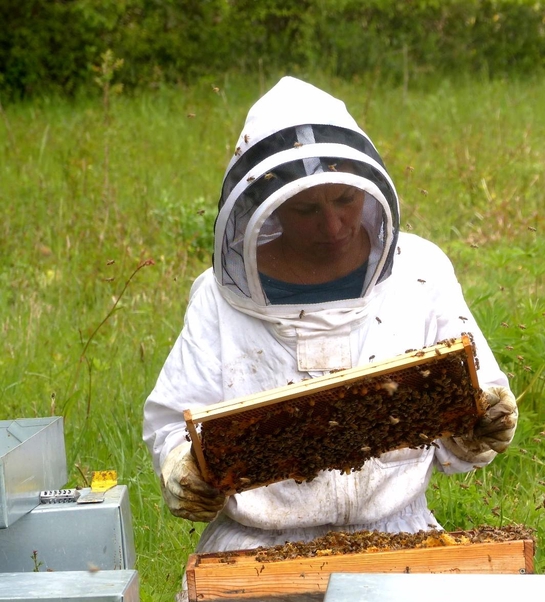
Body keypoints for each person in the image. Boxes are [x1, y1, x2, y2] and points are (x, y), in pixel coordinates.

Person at [143, 76, 517, 553]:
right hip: (255, 547)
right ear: (269, 208)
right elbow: (175, 421)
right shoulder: (217, 299)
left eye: (345, 199)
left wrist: (483, 420)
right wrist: (182, 465)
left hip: (396, 536)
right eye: (306, 210)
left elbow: (474, 396)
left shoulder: (421, 271)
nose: (334, 224)